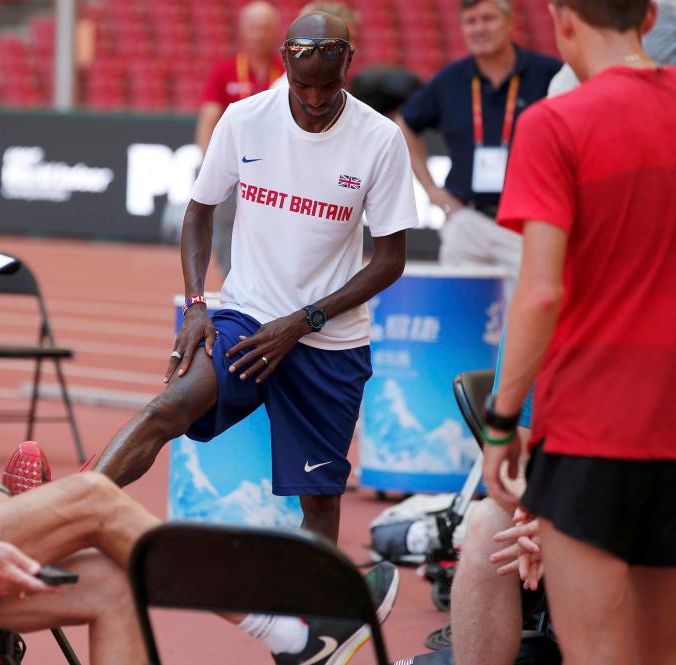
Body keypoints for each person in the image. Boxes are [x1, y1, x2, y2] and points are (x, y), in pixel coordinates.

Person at [0, 201, 396, 665]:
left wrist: (0, 508)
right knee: (95, 498)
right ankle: (286, 633)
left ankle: (290, 636)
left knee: (113, 584)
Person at [96, 12, 418, 549]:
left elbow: (389, 260)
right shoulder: (245, 119)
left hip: (328, 339)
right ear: (285, 63)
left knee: (318, 500)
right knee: (166, 409)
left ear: (349, 66)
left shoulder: (379, 139)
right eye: (303, 85)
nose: (315, 99)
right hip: (245, 318)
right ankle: (58, 510)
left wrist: (302, 322)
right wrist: (198, 303)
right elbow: (199, 212)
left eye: (327, 86)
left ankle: (313, 625)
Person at [450, 3, 676, 663]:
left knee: (597, 651)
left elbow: (539, 291)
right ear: (648, 15)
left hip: (589, 429)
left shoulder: (552, 121)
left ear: (560, 18)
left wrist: (499, 424)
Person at [396, 0, 561, 299]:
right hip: (467, 220)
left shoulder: (548, 74)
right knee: (460, 319)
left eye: (488, 19)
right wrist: (432, 191)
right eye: (470, 22)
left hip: (526, 225)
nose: (479, 28)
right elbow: (404, 125)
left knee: (528, 319)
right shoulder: (451, 79)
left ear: (510, 23)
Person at [195, 0, 282, 278]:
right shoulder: (224, 70)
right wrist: (211, 165)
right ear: (243, 30)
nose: (260, 34)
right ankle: (230, 281)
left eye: (266, 28)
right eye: (255, 28)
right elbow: (208, 119)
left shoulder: (285, 72)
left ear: (276, 32)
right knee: (226, 224)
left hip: (274, 170)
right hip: (233, 167)